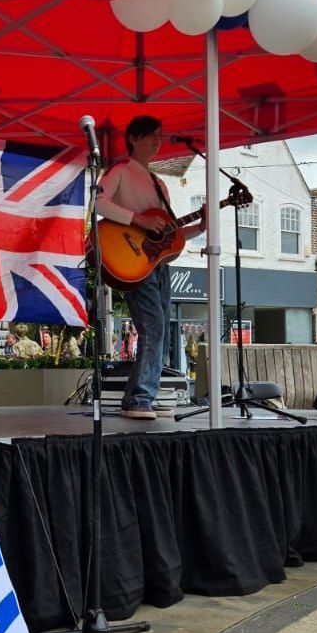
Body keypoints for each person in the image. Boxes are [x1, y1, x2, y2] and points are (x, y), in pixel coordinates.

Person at [97, 115, 203, 419]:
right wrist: (138, 219)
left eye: (160, 135)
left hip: (156, 265)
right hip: (132, 261)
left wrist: (202, 226)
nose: (159, 140)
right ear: (134, 138)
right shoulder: (119, 171)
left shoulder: (160, 185)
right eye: (152, 135)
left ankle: (143, 394)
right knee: (154, 327)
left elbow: (170, 236)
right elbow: (97, 203)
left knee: (159, 330)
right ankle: (140, 397)